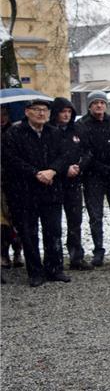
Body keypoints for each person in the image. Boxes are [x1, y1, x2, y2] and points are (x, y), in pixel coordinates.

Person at [2, 99, 71, 286]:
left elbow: (65, 155)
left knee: (53, 231)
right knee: (29, 233)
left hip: (51, 189)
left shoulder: (54, 133)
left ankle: (55, 268)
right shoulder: (14, 133)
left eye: (44, 110)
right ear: (27, 112)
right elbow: (11, 160)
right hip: (25, 191)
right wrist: (35, 173)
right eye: (37, 110)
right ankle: (35, 272)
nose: (41, 113)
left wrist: (52, 170)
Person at [49, 97, 93, 271]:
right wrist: (62, 169)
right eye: (63, 112)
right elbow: (48, 155)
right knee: (54, 223)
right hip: (55, 181)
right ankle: (55, 258)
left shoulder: (78, 130)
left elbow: (88, 152)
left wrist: (79, 166)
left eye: (69, 112)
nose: (66, 115)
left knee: (75, 220)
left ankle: (76, 256)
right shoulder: (49, 131)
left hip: (74, 181)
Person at [76, 91, 110, 267]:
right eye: (95, 103)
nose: (99, 105)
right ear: (90, 105)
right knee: (95, 216)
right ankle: (98, 250)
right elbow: (85, 151)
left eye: (102, 102)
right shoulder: (82, 125)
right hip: (92, 176)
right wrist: (99, 166)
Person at [1, 105, 23, 272]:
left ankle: (17, 250)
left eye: (4, 114)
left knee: (17, 218)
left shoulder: (14, 132)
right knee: (3, 222)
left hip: (14, 181)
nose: (2, 117)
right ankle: (4, 253)